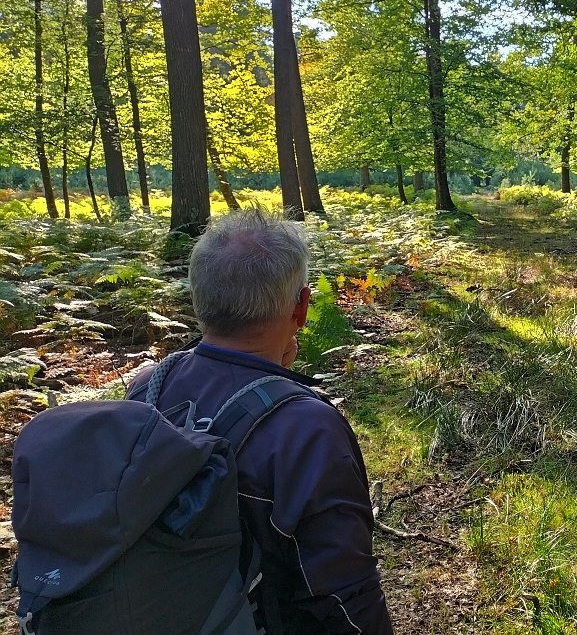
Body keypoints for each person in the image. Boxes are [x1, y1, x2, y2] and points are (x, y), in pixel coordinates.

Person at [128, 208, 392, 634]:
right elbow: (343, 594)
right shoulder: (307, 430)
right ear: (302, 307)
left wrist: (271, 378)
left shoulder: (148, 388)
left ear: (198, 299)